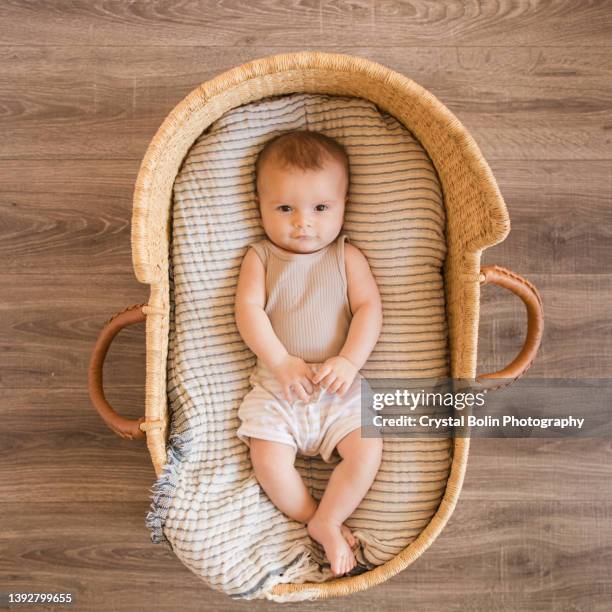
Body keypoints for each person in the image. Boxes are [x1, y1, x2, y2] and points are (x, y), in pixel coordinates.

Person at [234, 129, 383, 576]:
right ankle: (314, 519)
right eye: (285, 208)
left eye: (320, 208)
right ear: (260, 206)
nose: (303, 223)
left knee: (368, 447)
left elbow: (368, 309)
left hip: (341, 389)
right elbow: (248, 311)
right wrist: (280, 362)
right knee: (266, 456)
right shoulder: (260, 257)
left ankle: (330, 518)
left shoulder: (347, 256)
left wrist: (349, 361)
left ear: (343, 205)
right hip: (279, 386)